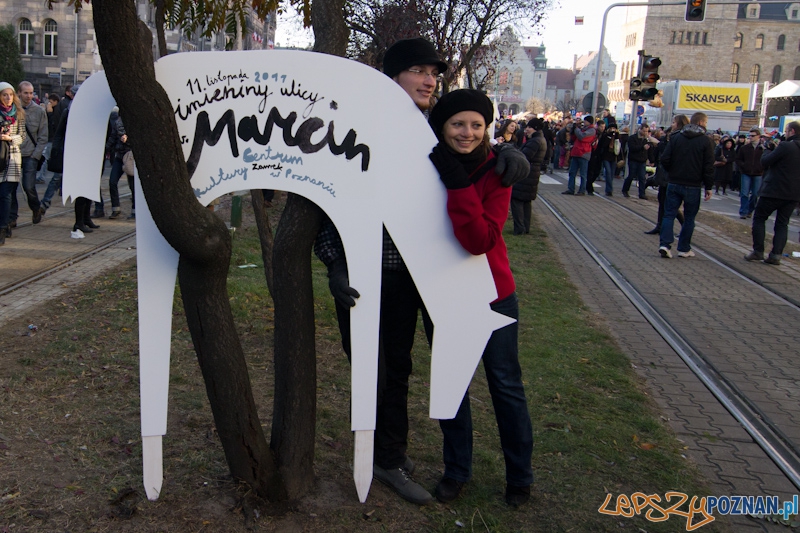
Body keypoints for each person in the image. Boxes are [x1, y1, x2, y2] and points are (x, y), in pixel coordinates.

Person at [313, 37, 528, 506]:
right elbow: (326, 194)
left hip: (420, 276)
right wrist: (337, 260)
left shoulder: (430, 132)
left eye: (434, 72)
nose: (430, 79)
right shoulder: (360, 125)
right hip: (372, 272)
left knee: (402, 366)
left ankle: (391, 453)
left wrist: (512, 156)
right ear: (392, 77)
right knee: (380, 369)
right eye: (417, 70)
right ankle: (385, 459)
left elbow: (470, 158)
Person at [427, 89, 533, 507]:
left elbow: (480, 240)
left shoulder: (498, 171)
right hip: (445, 293)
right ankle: (456, 471)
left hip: (492, 294)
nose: (467, 132)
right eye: (457, 124)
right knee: (451, 387)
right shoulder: (426, 164)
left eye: (476, 124)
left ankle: (520, 477)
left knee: (505, 386)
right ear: (442, 127)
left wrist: (456, 182)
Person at [658, 112, 714, 258]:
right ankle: (683, 248)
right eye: (706, 123)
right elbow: (708, 166)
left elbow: (664, 158)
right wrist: (708, 186)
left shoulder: (676, 137)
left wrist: (671, 172)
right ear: (701, 123)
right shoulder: (705, 141)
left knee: (669, 215)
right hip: (693, 184)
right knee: (689, 218)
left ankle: (665, 244)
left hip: (675, 181)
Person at [744, 121, 800, 265]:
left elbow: (765, 162)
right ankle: (776, 255)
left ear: (792, 131)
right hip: (793, 193)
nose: (785, 133)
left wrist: (768, 149)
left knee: (759, 218)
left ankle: (758, 251)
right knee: (782, 224)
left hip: (774, 190)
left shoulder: (786, 146)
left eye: (787, 131)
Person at [8, 81, 47, 228]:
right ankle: (12, 217)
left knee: (28, 186)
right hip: (14, 153)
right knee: (11, 188)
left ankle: (36, 208)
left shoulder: (39, 111)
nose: (29, 96)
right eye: (26, 93)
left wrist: (36, 155)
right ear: (19, 93)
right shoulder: (12, 110)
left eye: (31, 93)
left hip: (31, 154)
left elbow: (43, 136)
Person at [645, 115, 687, 235]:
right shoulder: (669, 137)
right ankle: (659, 225)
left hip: (672, 176)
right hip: (663, 174)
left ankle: (683, 226)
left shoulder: (680, 138)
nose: (672, 124)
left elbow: (671, 154)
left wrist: (658, 144)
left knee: (671, 204)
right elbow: (661, 155)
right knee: (662, 200)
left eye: (674, 122)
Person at [0, 82, 26, 245]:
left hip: (12, 157)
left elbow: (22, 136)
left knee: (6, 194)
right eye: (4, 95)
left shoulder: (19, 114)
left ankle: (3, 226)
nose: (8, 98)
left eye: (10, 95)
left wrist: (10, 138)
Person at [512, 118, 546, 234]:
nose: (526, 130)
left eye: (529, 127)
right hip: (532, 173)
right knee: (526, 201)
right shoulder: (539, 139)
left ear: (535, 128)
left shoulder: (535, 141)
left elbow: (525, 156)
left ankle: (520, 228)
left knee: (517, 199)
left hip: (527, 173)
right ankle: (525, 227)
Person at [561, 116, 597, 195]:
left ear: (589, 122)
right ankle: (571, 189)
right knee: (572, 172)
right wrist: (573, 130)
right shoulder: (583, 129)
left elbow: (582, 137)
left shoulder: (591, 130)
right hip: (576, 152)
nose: (584, 122)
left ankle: (582, 190)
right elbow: (574, 138)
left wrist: (576, 129)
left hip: (584, 153)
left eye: (585, 121)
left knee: (583, 174)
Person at [736, 128, 765, 219]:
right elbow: (738, 159)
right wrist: (743, 166)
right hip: (746, 172)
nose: (750, 137)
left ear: (758, 137)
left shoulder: (762, 149)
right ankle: (743, 212)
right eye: (749, 136)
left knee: (755, 194)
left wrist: (761, 168)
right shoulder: (745, 148)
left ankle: (750, 210)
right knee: (744, 193)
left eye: (753, 136)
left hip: (758, 173)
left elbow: (767, 160)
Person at [623, 124, 657, 199]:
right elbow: (632, 148)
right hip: (633, 160)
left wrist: (652, 160)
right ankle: (625, 190)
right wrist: (642, 147)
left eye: (647, 131)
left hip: (642, 161)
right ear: (640, 129)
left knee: (642, 177)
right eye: (644, 131)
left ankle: (642, 193)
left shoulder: (647, 139)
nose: (645, 133)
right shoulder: (632, 138)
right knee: (631, 175)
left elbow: (650, 151)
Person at [596, 122, 620, 196]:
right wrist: (609, 137)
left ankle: (608, 189)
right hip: (606, 157)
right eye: (612, 128)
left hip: (613, 157)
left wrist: (616, 137)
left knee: (611, 174)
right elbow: (603, 145)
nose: (613, 130)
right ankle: (609, 190)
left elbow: (619, 147)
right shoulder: (605, 136)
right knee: (608, 172)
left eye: (614, 128)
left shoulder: (617, 137)